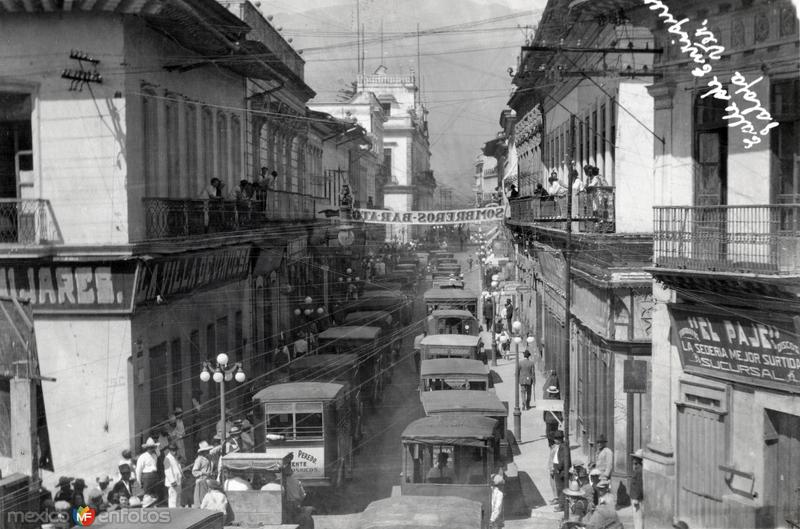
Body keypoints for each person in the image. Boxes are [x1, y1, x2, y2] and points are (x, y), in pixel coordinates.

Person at [135, 437, 160, 507]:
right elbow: (138, 470)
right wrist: (139, 481)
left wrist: (156, 448)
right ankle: (146, 507)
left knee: (155, 494)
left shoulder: (155, 456)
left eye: (153, 447)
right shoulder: (142, 457)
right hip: (147, 477)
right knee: (147, 495)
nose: (152, 449)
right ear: (147, 448)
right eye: (150, 448)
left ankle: (154, 506)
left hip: (154, 476)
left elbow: (159, 454)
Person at [192, 441, 215, 507]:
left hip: (208, 481)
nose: (208, 451)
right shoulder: (199, 460)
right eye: (206, 450)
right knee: (202, 499)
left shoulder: (209, 458)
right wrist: (203, 473)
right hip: (201, 481)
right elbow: (194, 471)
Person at [550, 430, 567, 512]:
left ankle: (562, 506)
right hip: (558, 470)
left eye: (556, 439)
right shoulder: (559, 446)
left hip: (561, 471)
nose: (554, 440)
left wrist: (557, 468)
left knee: (561, 489)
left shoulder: (563, 447)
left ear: (559, 439)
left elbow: (562, 460)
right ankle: (561, 504)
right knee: (559, 488)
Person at [163, 444, 182, 508]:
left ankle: (177, 512)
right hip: (173, 483)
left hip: (178, 481)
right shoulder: (167, 458)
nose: (175, 452)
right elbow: (168, 471)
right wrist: (172, 481)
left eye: (175, 450)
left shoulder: (174, 457)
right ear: (170, 450)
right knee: (173, 499)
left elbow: (178, 468)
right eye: (173, 450)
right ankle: (173, 513)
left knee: (178, 498)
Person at [630, 449, 644, 529]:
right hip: (635, 498)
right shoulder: (638, 469)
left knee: (638, 519)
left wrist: (636, 498)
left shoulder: (639, 471)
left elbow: (639, 485)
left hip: (636, 499)